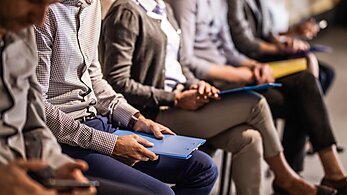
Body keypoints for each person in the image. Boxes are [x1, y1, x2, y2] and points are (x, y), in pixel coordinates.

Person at [99, 0, 338, 194]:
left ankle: (289, 179)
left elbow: (181, 66)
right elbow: (117, 81)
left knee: (250, 138)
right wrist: (174, 97)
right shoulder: (127, 11)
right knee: (256, 104)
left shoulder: (163, 7)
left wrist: (198, 85)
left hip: (184, 97)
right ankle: (286, 178)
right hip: (157, 111)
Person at [33, 0, 218, 194]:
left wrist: (135, 119)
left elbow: (95, 79)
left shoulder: (92, 5)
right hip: (65, 137)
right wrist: (109, 144)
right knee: (161, 193)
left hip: (98, 122)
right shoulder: (44, 14)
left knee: (203, 168)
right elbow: (38, 107)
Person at [169, 0, 347, 193]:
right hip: (210, 81)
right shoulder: (186, 2)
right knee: (299, 96)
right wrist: (241, 74)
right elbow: (187, 60)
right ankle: (299, 177)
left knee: (305, 83)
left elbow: (229, 49)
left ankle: (307, 176)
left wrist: (253, 66)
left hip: (230, 70)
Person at [0, 0, 153, 195]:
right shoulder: (37, 24)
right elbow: (43, 113)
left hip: (47, 149)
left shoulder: (21, 36)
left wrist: (59, 166)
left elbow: (34, 120)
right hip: (60, 136)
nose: (39, 19)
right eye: (35, 2)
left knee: (199, 166)